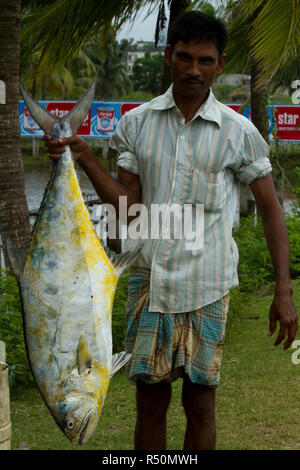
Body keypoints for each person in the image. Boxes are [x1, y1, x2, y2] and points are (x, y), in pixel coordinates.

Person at [45, 11, 298, 450]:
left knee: (201, 404)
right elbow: (129, 211)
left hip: (209, 284)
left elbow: (272, 210)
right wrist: (84, 156)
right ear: (168, 57)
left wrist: (284, 291)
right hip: (148, 282)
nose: (193, 69)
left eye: (205, 60)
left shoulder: (239, 133)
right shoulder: (135, 124)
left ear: (220, 64)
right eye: (184, 57)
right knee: (150, 402)